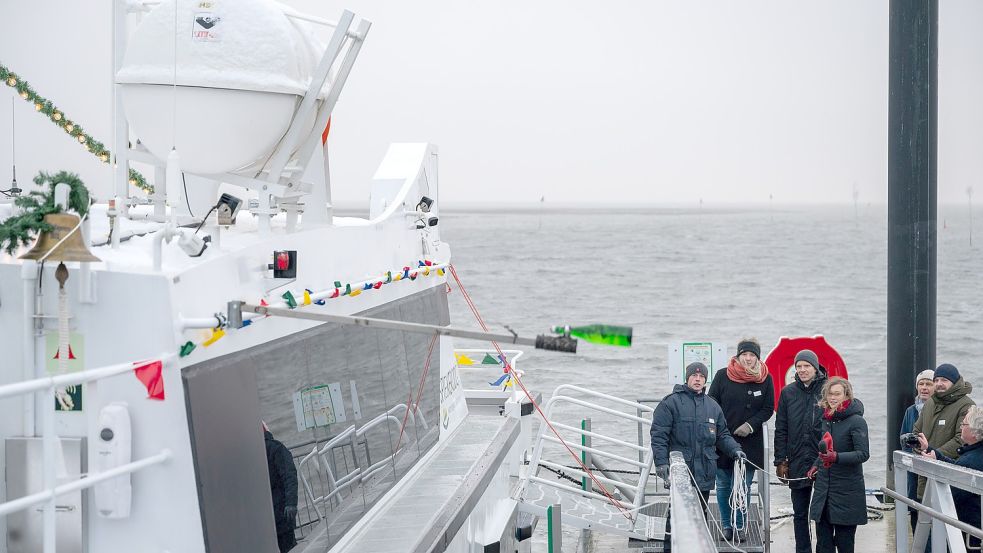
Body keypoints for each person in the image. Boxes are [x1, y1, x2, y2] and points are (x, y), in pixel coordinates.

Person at [651, 361, 746, 551]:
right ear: (687, 378)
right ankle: (669, 549)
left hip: (704, 472)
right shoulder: (670, 403)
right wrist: (661, 463)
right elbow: (658, 435)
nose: (698, 379)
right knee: (676, 515)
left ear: (705, 380)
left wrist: (735, 449)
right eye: (694, 376)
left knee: (700, 515)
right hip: (680, 473)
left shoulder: (713, 407)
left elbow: (722, 435)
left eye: (702, 376)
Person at [708, 338, 774, 541]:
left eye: (752, 355)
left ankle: (740, 526)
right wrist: (719, 429)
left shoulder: (765, 378)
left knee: (743, 486)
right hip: (723, 440)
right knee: (723, 485)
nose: (748, 358)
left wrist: (751, 425)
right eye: (744, 354)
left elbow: (768, 408)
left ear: (757, 358)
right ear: (738, 356)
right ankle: (727, 526)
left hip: (750, 442)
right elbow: (711, 402)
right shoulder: (722, 376)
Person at [774, 349, 828, 553]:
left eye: (807, 366)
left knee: (823, 512)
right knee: (799, 512)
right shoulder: (788, 393)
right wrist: (780, 460)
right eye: (799, 366)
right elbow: (781, 429)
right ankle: (802, 550)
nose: (803, 370)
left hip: (823, 460)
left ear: (815, 367)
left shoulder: (827, 389)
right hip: (797, 459)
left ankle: (824, 548)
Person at [808, 377, 869, 553]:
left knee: (845, 544)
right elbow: (825, 449)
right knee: (823, 545)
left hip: (847, 492)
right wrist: (815, 464)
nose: (833, 398)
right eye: (830, 394)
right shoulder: (826, 419)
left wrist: (836, 457)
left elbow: (863, 454)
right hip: (824, 492)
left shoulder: (857, 421)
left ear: (846, 395)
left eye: (837, 394)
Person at [918, 405, 983, 549]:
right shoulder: (974, 455)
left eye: (964, 424)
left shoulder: (970, 460)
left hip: (969, 529)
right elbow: (958, 468)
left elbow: (952, 495)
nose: (961, 426)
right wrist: (934, 455)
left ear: (974, 430)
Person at [912, 363, 975, 499]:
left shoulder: (966, 405)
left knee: (947, 515)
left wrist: (937, 454)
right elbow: (917, 430)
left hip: (951, 473)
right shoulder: (930, 403)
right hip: (926, 470)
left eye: (944, 380)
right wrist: (918, 447)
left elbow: (962, 439)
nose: (939, 383)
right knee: (923, 513)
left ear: (955, 382)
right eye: (936, 380)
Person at [900, 368, 934, 531]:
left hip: (933, 466)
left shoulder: (938, 411)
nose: (924, 387)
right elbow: (903, 439)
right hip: (914, 471)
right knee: (915, 514)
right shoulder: (911, 411)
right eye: (921, 384)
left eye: (929, 383)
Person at [264, 422, 299, 553]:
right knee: (289, 547)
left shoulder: (250, 453)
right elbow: (289, 476)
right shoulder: (276, 448)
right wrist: (291, 504)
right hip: (282, 512)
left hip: (265, 518)